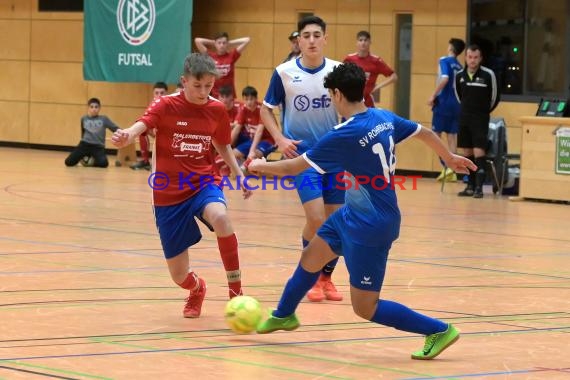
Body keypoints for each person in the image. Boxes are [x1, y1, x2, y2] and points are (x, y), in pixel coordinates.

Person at [249, 62, 475, 360]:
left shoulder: (344, 134)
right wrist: (448, 156)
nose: (330, 99)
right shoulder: (382, 117)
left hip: (371, 225)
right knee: (311, 255)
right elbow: (425, 131)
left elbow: (295, 166)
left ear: (338, 94)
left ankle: (438, 329)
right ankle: (283, 315)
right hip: (351, 214)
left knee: (365, 307)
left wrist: (258, 167)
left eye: (330, 94)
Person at [111, 53, 253, 318]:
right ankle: (197, 288)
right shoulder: (165, 105)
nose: (203, 92)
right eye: (197, 86)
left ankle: (236, 292)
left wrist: (238, 173)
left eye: (209, 86)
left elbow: (222, 143)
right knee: (178, 275)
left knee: (221, 218)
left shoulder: (216, 109)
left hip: (202, 181)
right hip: (167, 192)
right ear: (184, 81)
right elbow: (143, 124)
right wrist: (127, 135)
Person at [260, 15, 344, 303]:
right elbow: (265, 109)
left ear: (325, 38)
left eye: (316, 35)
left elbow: (355, 110)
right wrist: (280, 140)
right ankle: (308, 274)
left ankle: (326, 278)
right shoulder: (283, 72)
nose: (311, 40)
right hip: (303, 157)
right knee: (316, 217)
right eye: (305, 35)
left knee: (335, 222)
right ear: (299, 40)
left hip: (335, 155)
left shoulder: (339, 71)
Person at [454, 44, 500, 198]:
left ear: (480, 59)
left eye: (475, 57)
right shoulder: (459, 76)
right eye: (470, 57)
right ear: (466, 58)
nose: (472, 60)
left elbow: (494, 97)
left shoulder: (488, 75)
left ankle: (479, 187)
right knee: (466, 152)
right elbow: (459, 96)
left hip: (480, 118)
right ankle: (470, 185)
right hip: (464, 117)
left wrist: (483, 112)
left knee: (479, 151)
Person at [428, 38, 465, 182]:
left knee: (434, 135)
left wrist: (433, 95)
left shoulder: (444, 60)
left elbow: (444, 78)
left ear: (450, 47)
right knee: (451, 137)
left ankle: (447, 166)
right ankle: (452, 169)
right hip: (456, 104)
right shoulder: (460, 66)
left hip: (443, 103)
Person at [343, 30, 397, 108]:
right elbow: (341, 77)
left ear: (369, 42)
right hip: (351, 102)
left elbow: (394, 77)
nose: (363, 43)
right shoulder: (349, 59)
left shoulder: (376, 60)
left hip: (367, 103)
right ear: (357, 42)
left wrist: (377, 87)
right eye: (360, 40)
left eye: (365, 40)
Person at [64, 98, 120, 168]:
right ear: (88, 108)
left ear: (99, 108)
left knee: (104, 164)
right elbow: (83, 132)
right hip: (84, 145)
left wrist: (125, 133)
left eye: (96, 107)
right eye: (91, 107)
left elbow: (115, 128)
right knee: (68, 162)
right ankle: (83, 157)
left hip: (98, 147)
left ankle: (90, 162)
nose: (94, 109)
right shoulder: (84, 118)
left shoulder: (104, 119)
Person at [195, 32, 250, 98]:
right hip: (214, 94)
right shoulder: (210, 56)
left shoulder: (232, 55)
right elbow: (197, 41)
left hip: (229, 94)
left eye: (224, 43)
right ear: (215, 44)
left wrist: (229, 43)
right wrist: (214, 42)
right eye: (219, 43)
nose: (222, 45)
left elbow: (247, 40)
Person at [130, 82, 169, 170]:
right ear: (153, 94)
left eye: (162, 93)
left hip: (169, 135)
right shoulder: (153, 105)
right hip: (157, 131)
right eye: (156, 93)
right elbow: (147, 121)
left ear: (167, 94)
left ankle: (162, 163)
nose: (159, 95)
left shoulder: (170, 105)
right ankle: (145, 161)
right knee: (142, 130)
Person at [232, 86, 276, 163]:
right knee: (233, 154)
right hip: (253, 140)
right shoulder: (243, 109)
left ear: (256, 98)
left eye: (251, 99)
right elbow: (236, 129)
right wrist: (227, 147)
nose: (249, 102)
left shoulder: (262, 110)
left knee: (254, 156)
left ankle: (248, 169)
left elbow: (259, 132)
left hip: (268, 140)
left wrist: (251, 151)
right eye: (246, 99)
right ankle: (244, 168)